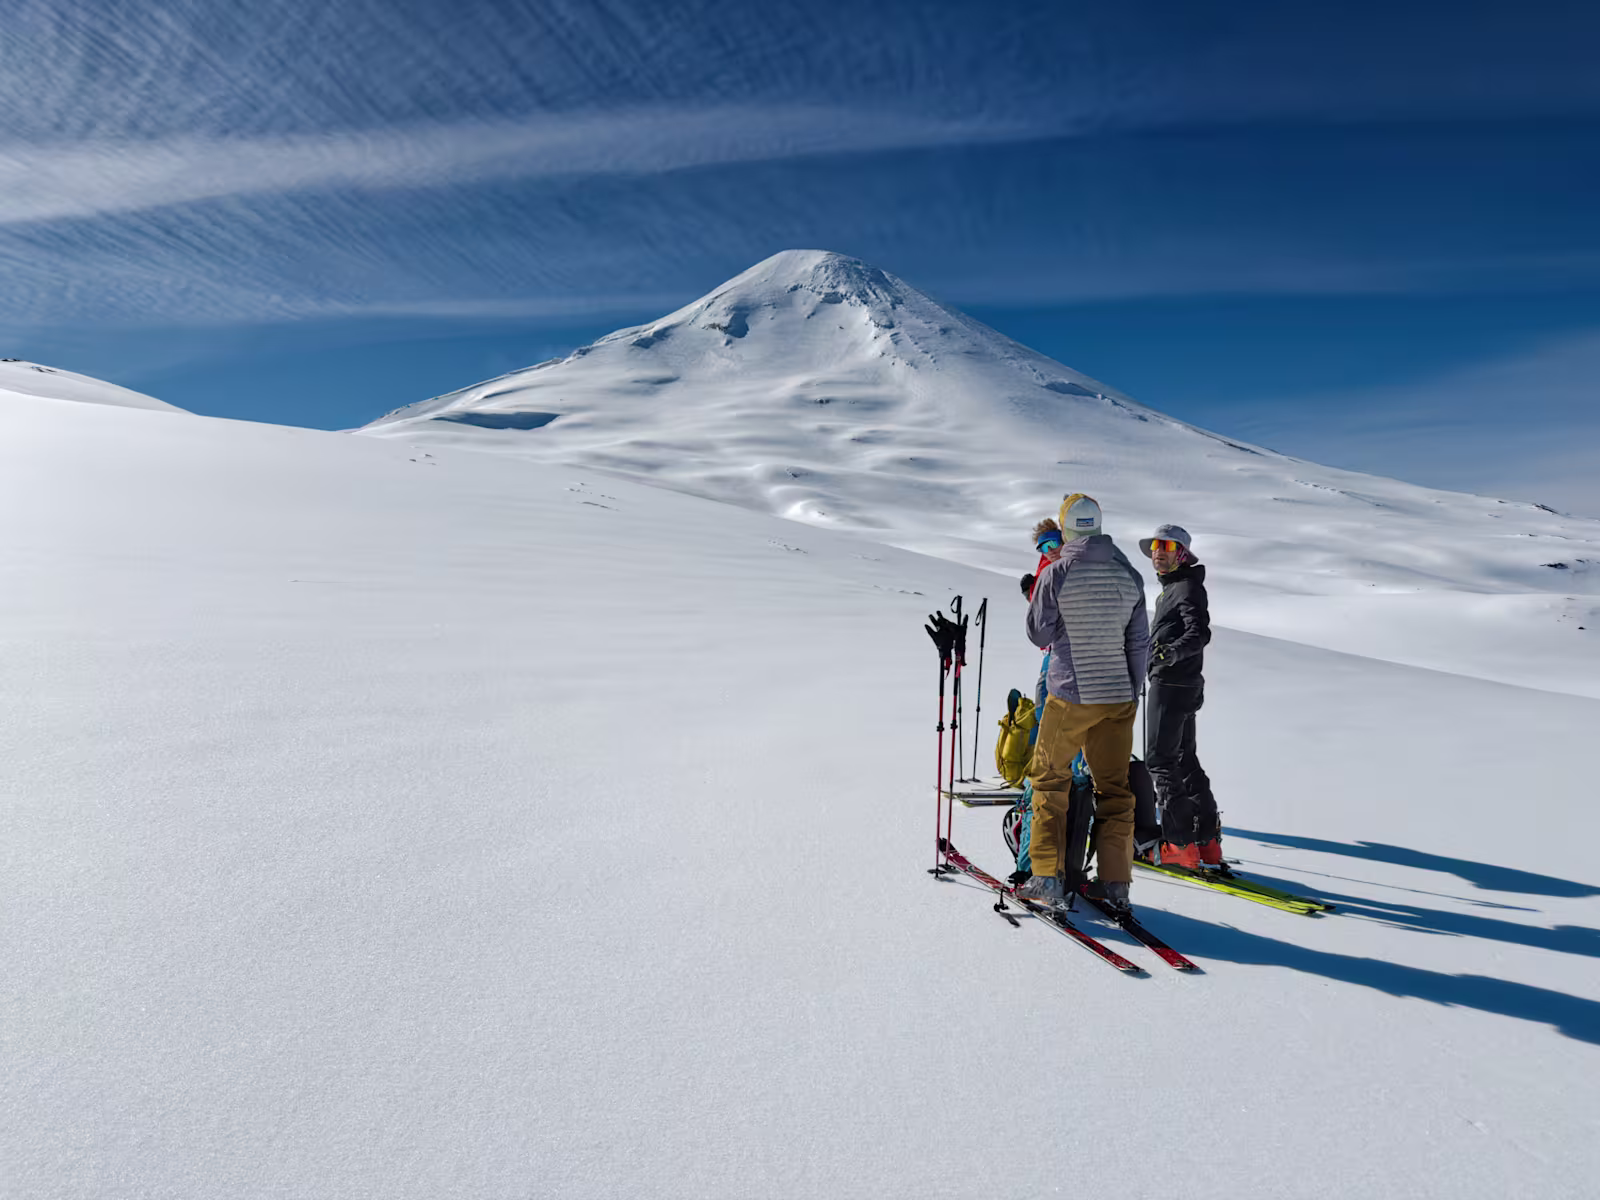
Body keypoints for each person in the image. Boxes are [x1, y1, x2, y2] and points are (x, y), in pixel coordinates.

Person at [1017, 493, 1150, 915]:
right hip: (1118, 698)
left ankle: (1046, 877)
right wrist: (1129, 688)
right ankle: (1115, 884)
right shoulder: (1129, 572)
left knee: (1050, 780)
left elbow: (1040, 634)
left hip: (1071, 694)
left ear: (1066, 527)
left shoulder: (1057, 572)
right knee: (1115, 789)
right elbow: (1138, 641)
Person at [1137, 523, 1218, 868]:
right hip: (1183, 684)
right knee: (1184, 761)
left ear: (1182, 553)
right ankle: (1206, 843)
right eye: (1155, 545)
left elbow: (1199, 634)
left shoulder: (1185, 588)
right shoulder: (1177, 588)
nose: (1158, 551)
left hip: (1172, 684)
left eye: (1167, 546)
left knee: (1160, 761)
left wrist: (1169, 653)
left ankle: (1179, 846)